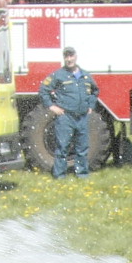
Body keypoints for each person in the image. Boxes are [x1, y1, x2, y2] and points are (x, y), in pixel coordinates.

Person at [37, 47, 100, 179]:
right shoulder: (58, 75)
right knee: (62, 147)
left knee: (82, 148)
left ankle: (82, 175)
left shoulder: (86, 75)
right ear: (64, 58)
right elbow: (44, 90)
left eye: (71, 56)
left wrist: (90, 106)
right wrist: (52, 106)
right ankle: (60, 176)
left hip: (82, 117)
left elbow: (95, 91)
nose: (69, 59)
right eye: (66, 56)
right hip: (66, 117)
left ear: (76, 56)